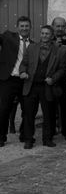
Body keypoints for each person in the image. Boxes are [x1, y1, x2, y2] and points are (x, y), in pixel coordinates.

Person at [20, 25, 65, 149]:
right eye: (42, 33)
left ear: (52, 36)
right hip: (31, 85)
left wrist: (53, 78)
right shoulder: (32, 47)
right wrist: (23, 72)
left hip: (47, 86)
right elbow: (24, 63)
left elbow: (62, 69)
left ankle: (47, 139)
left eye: (47, 34)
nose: (44, 35)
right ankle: (29, 139)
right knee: (29, 114)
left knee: (49, 114)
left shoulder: (58, 50)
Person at [0, 16, 33, 147]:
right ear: (17, 27)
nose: (24, 28)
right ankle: (1, 136)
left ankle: (24, 135)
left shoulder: (33, 44)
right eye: (22, 26)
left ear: (30, 27)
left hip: (25, 81)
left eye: (26, 26)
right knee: (4, 109)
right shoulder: (8, 37)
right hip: (8, 79)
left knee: (27, 109)